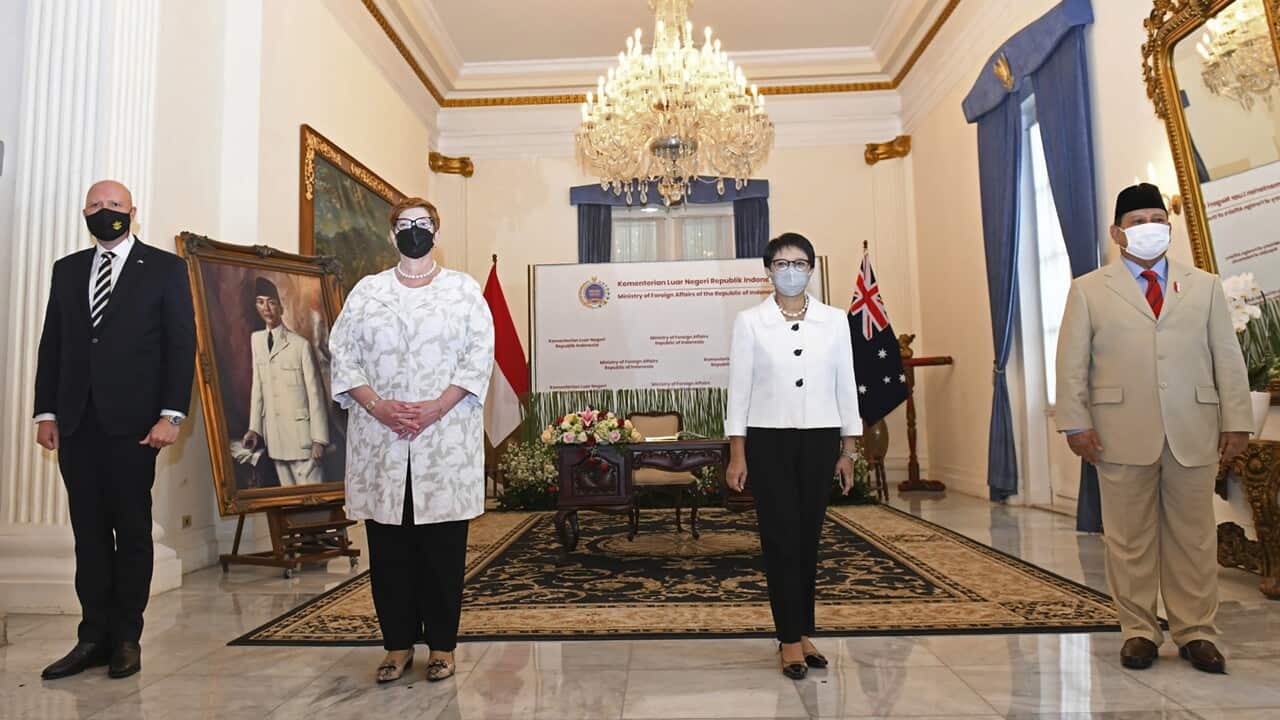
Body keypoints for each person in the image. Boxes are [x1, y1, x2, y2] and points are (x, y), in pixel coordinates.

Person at [1056, 183, 1252, 674]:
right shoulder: (1089, 289)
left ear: (1169, 226)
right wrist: (1075, 423)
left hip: (1194, 428)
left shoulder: (1204, 286)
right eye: (1137, 222)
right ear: (1117, 233)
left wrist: (1237, 421)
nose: (1149, 228)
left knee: (1195, 536)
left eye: (1157, 219)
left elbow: (1227, 358)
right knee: (1129, 538)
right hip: (1118, 432)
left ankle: (1196, 631)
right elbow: (1072, 364)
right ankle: (1139, 631)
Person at [33, 180, 196, 680]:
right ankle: (92, 638)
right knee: (88, 534)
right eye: (97, 205)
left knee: (131, 531)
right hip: (76, 423)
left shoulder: (165, 268)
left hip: (136, 426)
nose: (106, 212)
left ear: (133, 212)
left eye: (115, 205)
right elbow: (53, 342)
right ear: (85, 213)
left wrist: (171, 415)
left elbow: (180, 344)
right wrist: (46, 413)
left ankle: (127, 638)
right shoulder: (67, 269)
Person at [329, 197, 494, 684]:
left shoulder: (463, 291)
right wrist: (377, 405)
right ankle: (396, 645)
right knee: (389, 550)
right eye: (405, 224)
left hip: (444, 438)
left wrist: (436, 406)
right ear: (391, 234)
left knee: (442, 552)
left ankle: (442, 646)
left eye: (423, 224)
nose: (414, 231)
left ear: (436, 233)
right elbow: (343, 354)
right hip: (380, 440)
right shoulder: (367, 292)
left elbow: (478, 356)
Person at [724, 232, 862, 680]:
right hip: (769, 441)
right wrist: (737, 453)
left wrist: (849, 449)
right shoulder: (750, 322)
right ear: (768, 270)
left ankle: (802, 633)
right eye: (781, 264)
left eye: (799, 263)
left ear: (811, 269)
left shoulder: (834, 321)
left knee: (808, 539)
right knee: (780, 538)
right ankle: (787, 640)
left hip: (820, 439)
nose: (790, 271)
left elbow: (845, 384)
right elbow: (739, 390)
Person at [242, 277, 329, 486]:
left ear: (281, 308)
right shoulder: (257, 340)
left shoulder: (300, 345)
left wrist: (319, 439)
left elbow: (315, 394)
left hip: (303, 439)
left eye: (271, 302)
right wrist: (254, 428)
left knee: (313, 496)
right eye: (260, 302)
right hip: (276, 439)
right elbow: (258, 388)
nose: (266, 308)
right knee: (288, 498)